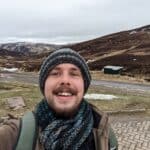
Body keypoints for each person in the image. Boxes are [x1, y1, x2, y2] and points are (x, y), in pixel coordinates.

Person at [0, 48, 118, 150]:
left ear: (84, 85)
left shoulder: (103, 131)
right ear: (44, 85)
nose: (65, 80)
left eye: (74, 74)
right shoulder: (11, 136)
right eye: (55, 73)